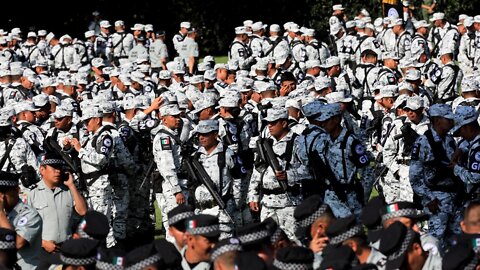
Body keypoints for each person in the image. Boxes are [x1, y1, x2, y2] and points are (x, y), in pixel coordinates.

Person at [248, 107, 308, 242]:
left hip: (288, 203)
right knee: (267, 241)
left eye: (273, 123)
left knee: (293, 241)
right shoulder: (265, 144)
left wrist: (289, 175)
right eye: (268, 123)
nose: (269, 126)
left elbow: (309, 170)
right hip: (268, 203)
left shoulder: (297, 142)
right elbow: (257, 170)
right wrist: (253, 195)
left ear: (284, 123)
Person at [409, 104, 461, 248]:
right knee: (436, 244)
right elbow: (415, 177)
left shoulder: (450, 141)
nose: (452, 122)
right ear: (437, 120)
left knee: (456, 242)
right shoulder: (423, 143)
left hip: (454, 198)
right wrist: (428, 199)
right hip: (436, 201)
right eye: (448, 119)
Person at [27, 152, 87, 265]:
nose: (58, 171)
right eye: (54, 167)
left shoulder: (68, 190)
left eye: (59, 168)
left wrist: (71, 185)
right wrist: (43, 243)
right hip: (43, 251)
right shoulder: (32, 194)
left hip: (66, 250)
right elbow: (27, 228)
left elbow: (82, 211)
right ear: (42, 170)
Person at [316, 103, 374, 218]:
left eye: (326, 120)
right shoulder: (324, 141)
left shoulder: (351, 142)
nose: (323, 124)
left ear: (337, 119)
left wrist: (364, 198)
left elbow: (367, 173)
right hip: (329, 198)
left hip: (349, 198)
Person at [0, 171, 42, 269]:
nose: (1, 197)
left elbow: (18, 243)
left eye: (3, 192)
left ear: (17, 190)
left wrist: (0, 213)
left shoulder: (30, 214)